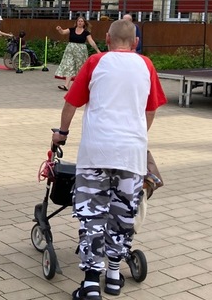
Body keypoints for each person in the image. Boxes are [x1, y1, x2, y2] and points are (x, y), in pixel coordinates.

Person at [50, 19, 166, 299]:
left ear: (107, 39)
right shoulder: (146, 65)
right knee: (123, 214)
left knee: (92, 215)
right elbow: (151, 109)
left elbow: (72, 102)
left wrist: (62, 133)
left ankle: (91, 283)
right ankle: (113, 276)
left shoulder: (96, 62)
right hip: (131, 155)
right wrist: (137, 136)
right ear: (135, 42)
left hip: (96, 153)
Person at [55, 15, 101, 91]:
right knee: (69, 65)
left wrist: (97, 50)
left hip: (81, 51)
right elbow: (63, 32)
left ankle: (83, 85)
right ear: (76, 22)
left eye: (81, 21)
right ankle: (66, 85)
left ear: (84, 23)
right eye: (78, 21)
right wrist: (59, 29)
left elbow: (91, 42)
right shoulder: (71, 29)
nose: (80, 22)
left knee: (80, 68)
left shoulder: (86, 32)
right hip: (70, 50)